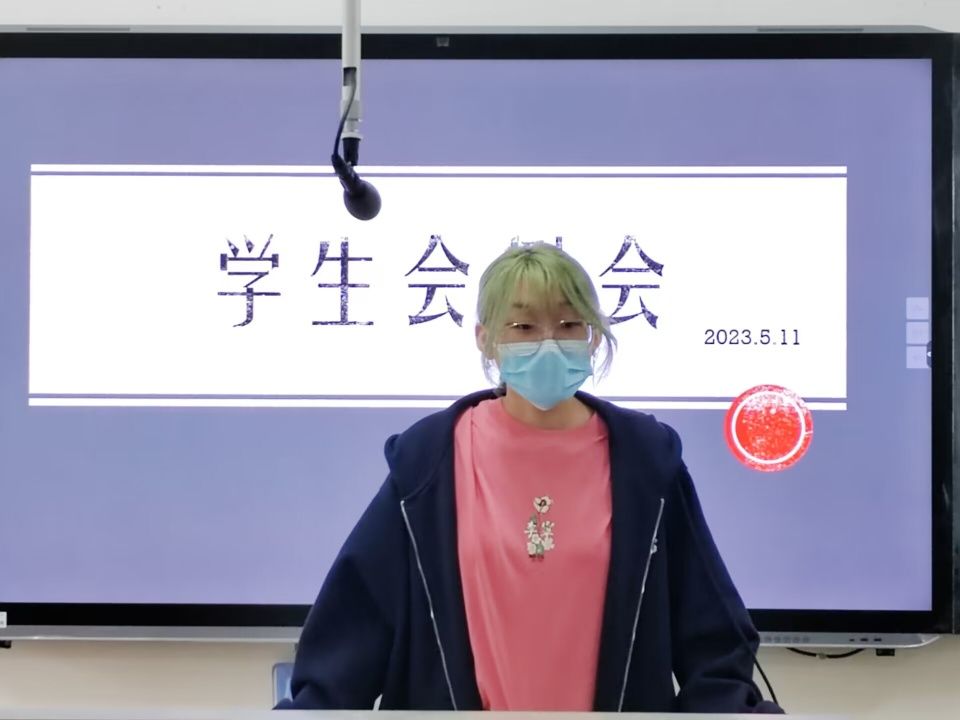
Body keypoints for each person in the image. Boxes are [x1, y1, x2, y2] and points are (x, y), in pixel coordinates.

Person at [277, 243, 783, 714]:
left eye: (568, 324)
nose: (548, 343)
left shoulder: (646, 462)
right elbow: (355, 625)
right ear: (485, 339)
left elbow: (710, 635)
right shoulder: (429, 461)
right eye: (522, 326)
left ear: (592, 335)